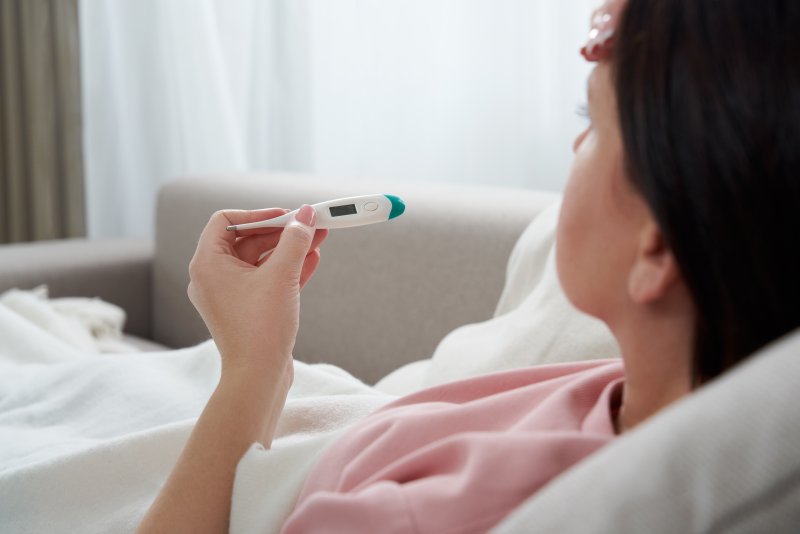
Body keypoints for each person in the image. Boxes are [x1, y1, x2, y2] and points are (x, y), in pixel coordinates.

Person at [137, 0, 800, 531]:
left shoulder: (425, 517)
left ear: (656, 248)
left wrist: (253, 365)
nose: (574, 143)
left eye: (590, 120)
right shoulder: (631, 385)